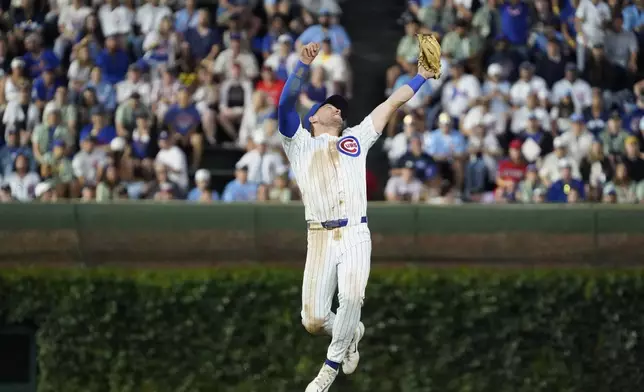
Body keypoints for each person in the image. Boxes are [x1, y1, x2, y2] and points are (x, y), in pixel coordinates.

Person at [277, 42, 435, 392]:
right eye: (331, 106)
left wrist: (421, 76)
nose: (338, 110)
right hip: (319, 235)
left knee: (352, 297)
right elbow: (285, 104)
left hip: (354, 233)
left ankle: (329, 369)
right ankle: (352, 331)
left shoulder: (356, 139)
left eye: (341, 108)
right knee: (313, 320)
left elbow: (391, 103)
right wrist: (302, 67)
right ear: (314, 116)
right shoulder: (299, 142)